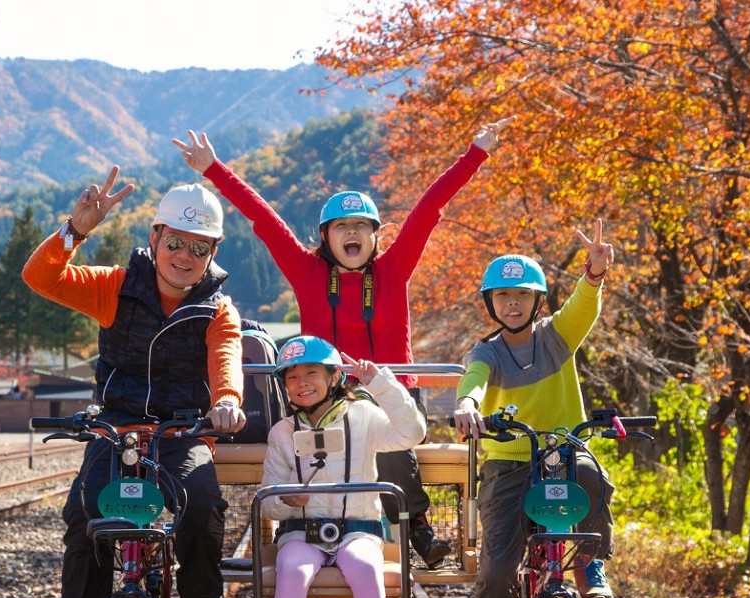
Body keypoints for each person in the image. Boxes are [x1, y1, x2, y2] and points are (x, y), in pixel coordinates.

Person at [175, 119, 514, 570]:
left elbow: (430, 208)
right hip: (325, 392)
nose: (352, 233)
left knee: (381, 431)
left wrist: (476, 152)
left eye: (361, 226)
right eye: (341, 226)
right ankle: (311, 534)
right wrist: (214, 169)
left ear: (375, 237)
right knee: (340, 441)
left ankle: (416, 527)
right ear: (326, 237)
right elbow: (264, 219)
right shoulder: (308, 273)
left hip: (389, 388)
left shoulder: (393, 270)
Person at [22, 166, 247, 598]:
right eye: (175, 242)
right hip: (116, 430)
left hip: (182, 433)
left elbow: (226, 360)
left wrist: (228, 402)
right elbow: (41, 278)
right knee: (84, 516)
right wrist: (73, 233)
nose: (184, 256)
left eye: (199, 247)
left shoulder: (217, 309)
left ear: (211, 254)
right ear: (155, 237)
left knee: (202, 506)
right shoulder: (115, 287)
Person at [449, 222, 615, 598]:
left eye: (523, 296)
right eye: (503, 297)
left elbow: (583, 307)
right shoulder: (488, 352)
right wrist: (466, 405)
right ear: (490, 303)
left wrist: (595, 272)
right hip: (508, 463)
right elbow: (474, 381)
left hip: (560, 454)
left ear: (538, 301)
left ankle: (589, 563)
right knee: (497, 570)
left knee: (589, 471)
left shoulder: (557, 337)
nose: (513, 305)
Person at [258, 335, 426, 598]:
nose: (302, 383)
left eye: (312, 373)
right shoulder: (282, 432)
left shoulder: (364, 415)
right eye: (292, 377)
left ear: (335, 377)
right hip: (302, 532)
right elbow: (267, 498)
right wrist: (287, 502)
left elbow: (410, 433)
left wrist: (380, 383)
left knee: (366, 569)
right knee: (292, 570)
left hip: (358, 529)